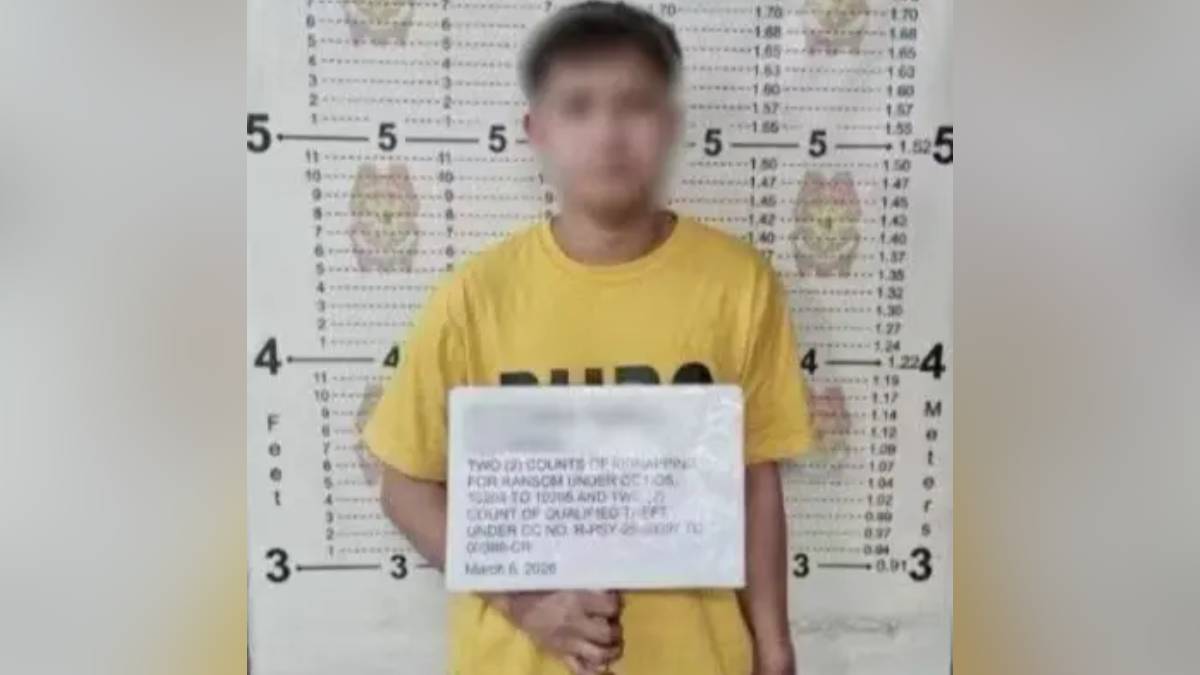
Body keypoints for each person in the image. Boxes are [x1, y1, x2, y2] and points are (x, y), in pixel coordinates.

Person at [361, 2, 814, 674]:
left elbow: (755, 479)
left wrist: (774, 648)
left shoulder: (739, 284)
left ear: (671, 124)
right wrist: (526, 602)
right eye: (577, 107)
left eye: (635, 105)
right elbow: (404, 484)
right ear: (537, 130)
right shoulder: (474, 297)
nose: (607, 133)